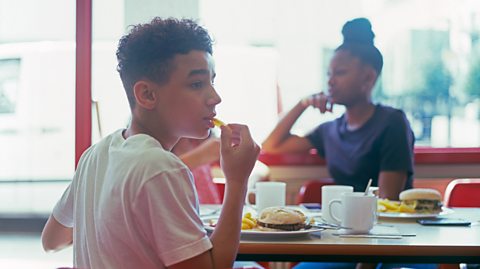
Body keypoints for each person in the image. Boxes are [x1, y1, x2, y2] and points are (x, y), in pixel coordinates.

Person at [41, 17, 260, 269]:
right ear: (147, 94)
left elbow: (52, 240)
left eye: (212, 81)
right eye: (197, 84)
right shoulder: (160, 167)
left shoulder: (96, 154)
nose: (215, 97)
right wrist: (237, 180)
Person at [262, 17, 414, 201]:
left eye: (340, 73)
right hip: (344, 222)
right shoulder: (330, 131)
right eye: (329, 74)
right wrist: (303, 104)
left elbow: (387, 200)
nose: (330, 81)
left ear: (368, 78)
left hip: (383, 225)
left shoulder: (392, 123)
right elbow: (271, 145)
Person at [172, 136, 223, 204]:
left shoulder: (199, 140)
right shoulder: (164, 146)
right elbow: (164, 170)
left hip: (209, 208)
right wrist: (201, 155)